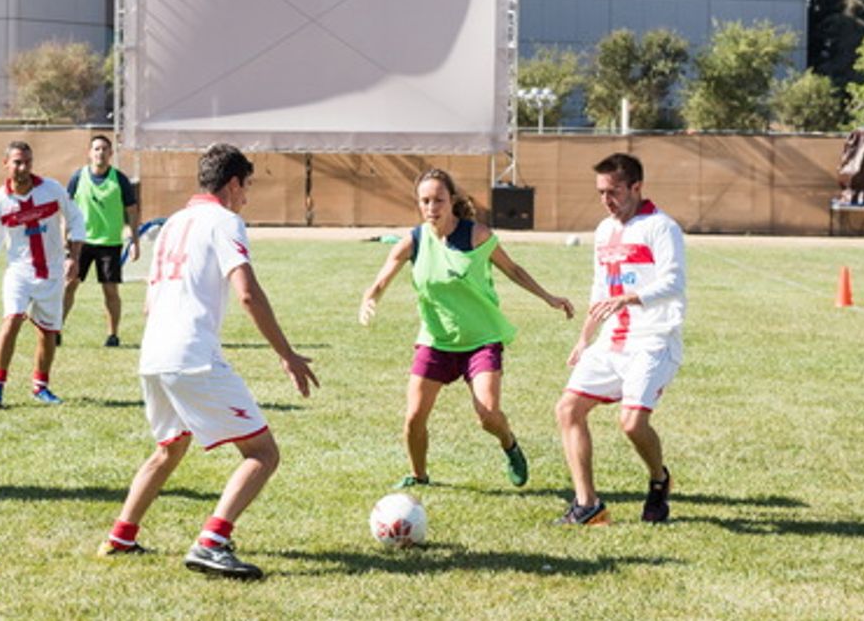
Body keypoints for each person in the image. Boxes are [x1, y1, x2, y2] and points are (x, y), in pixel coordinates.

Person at [100, 143, 318, 581]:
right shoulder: (225, 221)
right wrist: (286, 354)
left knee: (169, 448)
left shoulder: (173, 223)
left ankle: (120, 536)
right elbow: (247, 292)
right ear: (234, 183)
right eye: (247, 187)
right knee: (262, 453)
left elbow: (148, 304)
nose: (247, 197)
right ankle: (211, 542)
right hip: (191, 356)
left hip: (153, 356)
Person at [358, 168, 573, 490]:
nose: (432, 207)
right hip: (436, 341)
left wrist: (548, 297)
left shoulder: (478, 236)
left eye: (439, 200)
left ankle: (509, 444)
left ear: (452, 200)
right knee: (414, 418)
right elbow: (381, 279)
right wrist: (369, 299)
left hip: (481, 340)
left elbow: (513, 269)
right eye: (425, 201)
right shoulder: (413, 241)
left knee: (487, 415)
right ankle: (419, 476)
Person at [554, 152, 684, 525]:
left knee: (631, 424)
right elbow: (599, 290)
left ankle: (659, 479)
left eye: (613, 191)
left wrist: (630, 297)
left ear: (636, 188)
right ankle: (588, 505)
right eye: (600, 192)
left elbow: (673, 282)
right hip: (611, 342)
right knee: (567, 410)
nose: (606, 200)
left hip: (653, 341)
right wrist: (583, 339)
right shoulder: (603, 231)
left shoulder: (662, 227)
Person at [0, 141, 85, 407]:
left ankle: (41, 386)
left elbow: (75, 219)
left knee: (47, 332)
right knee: (12, 319)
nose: (23, 167)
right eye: (17, 162)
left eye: (27, 162)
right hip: (19, 272)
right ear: (6, 164)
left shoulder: (52, 190)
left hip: (52, 272)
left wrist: (74, 258)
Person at [62, 134, 140, 347]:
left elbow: (132, 211)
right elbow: (67, 212)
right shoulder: (78, 177)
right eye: (96, 149)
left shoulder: (120, 179)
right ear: (89, 153)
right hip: (81, 242)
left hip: (110, 244)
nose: (100, 153)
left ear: (111, 154)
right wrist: (65, 242)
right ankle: (56, 330)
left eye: (105, 149)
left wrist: (134, 241)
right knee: (69, 284)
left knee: (110, 290)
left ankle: (113, 335)